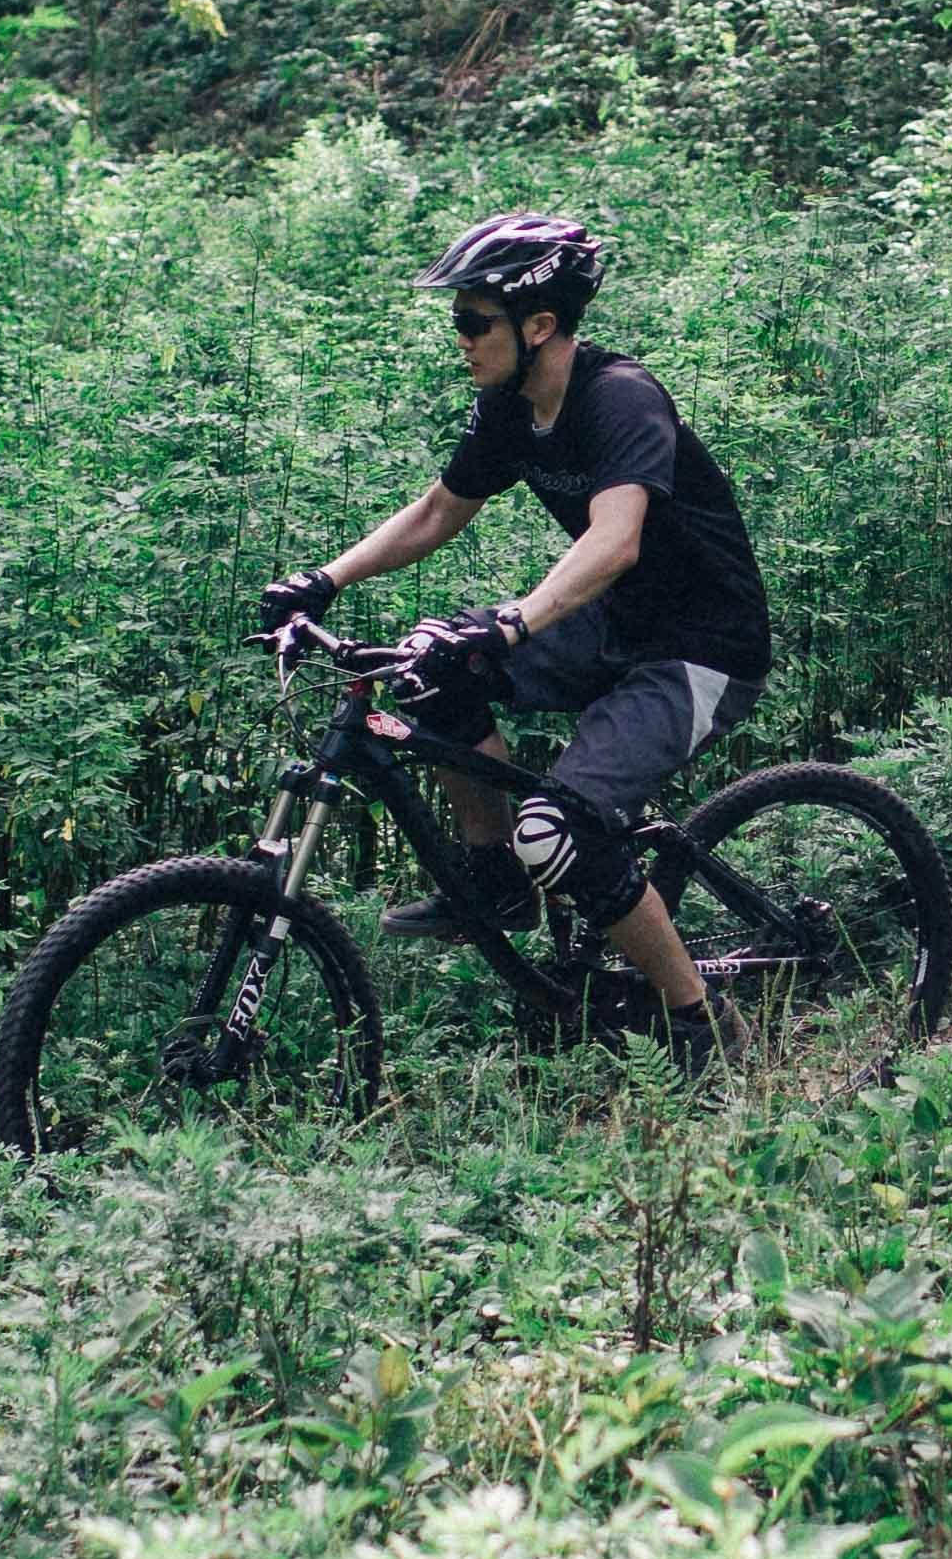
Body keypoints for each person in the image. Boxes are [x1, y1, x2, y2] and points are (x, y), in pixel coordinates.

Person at [258, 212, 773, 1057]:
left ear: (539, 326)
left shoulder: (620, 398)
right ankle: (497, 887)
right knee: (429, 671)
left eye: (474, 321)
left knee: (559, 829)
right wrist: (325, 579)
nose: (459, 338)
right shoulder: (508, 408)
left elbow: (616, 540)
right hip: (612, 626)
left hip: (699, 647)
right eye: (456, 320)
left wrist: (512, 621)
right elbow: (436, 513)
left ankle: (699, 1021)